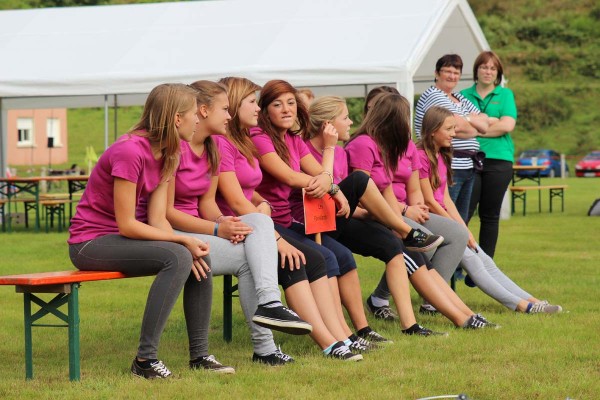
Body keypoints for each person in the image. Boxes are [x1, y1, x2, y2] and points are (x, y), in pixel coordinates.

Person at [68, 83, 213, 379]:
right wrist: (180, 239)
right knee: (178, 256)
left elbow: (157, 218)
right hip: (90, 242)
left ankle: (200, 356)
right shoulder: (130, 151)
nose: (198, 121)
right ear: (177, 118)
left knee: (197, 257)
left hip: (121, 238)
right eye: (194, 114)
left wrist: (186, 243)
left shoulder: (171, 152)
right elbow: (127, 223)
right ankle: (145, 361)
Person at [165, 80, 314, 368]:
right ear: (204, 111)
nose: (230, 115)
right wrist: (218, 229)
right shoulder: (176, 148)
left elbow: (207, 204)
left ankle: (268, 320)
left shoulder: (213, 146)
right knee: (250, 248)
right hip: (173, 232)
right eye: (225, 109)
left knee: (257, 224)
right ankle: (268, 324)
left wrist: (223, 220)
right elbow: (166, 214)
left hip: (199, 227)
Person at [214, 76, 364, 361]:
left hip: (264, 221)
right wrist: (330, 166)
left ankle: (341, 335)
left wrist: (330, 185)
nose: (258, 108)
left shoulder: (247, 141)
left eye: (291, 103)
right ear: (234, 105)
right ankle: (330, 342)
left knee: (327, 256)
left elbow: (254, 190)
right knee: (303, 259)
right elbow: (242, 198)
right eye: (256, 103)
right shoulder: (252, 139)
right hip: (249, 225)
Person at [342, 93, 490, 329]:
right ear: (392, 119)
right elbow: (363, 193)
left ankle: (458, 311)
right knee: (418, 248)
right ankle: (449, 316)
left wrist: (409, 214)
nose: (408, 125)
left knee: (450, 237)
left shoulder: (382, 146)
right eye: (405, 118)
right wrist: (400, 221)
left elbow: (389, 190)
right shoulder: (363, 145)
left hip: (391, 214)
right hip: (366, 216)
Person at [417, 106, 562, 314]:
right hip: (430, 221)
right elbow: (429, 201)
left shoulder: (442, 155)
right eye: (449, 129)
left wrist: (464, 229)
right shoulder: (420, 156)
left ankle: (532, 300)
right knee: (473, 262)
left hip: (446, 221)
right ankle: (523, 307)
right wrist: (456, 230)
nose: (454, 133)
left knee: (484, 259)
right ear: (433, 131)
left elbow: (445, 198)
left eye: (454, 128)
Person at [414, 54, 491, 222]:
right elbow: (458, 127)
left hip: (467, 165)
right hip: (448, 163)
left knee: (462, 218)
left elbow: (485, 124)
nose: (452, 76)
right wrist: (471, 122)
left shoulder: (459, 97)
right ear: (437, 73)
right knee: (446, 215)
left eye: (456, 73)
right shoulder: (434, 95)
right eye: (447, 71)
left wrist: (467, 121)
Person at [461, 51, 517, 258]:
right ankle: (459, 262)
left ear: (498, 73)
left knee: (490, 216)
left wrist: (475, 126)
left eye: (493, 68)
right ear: (476, 70)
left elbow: (507, 125)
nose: (488, 71)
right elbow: (457, 126)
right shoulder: (462, 95)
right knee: (463, 214)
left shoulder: (505, 95)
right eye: (484, 67)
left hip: (499, 160)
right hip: (468, 159)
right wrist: (492, 122)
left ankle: (486, 265)